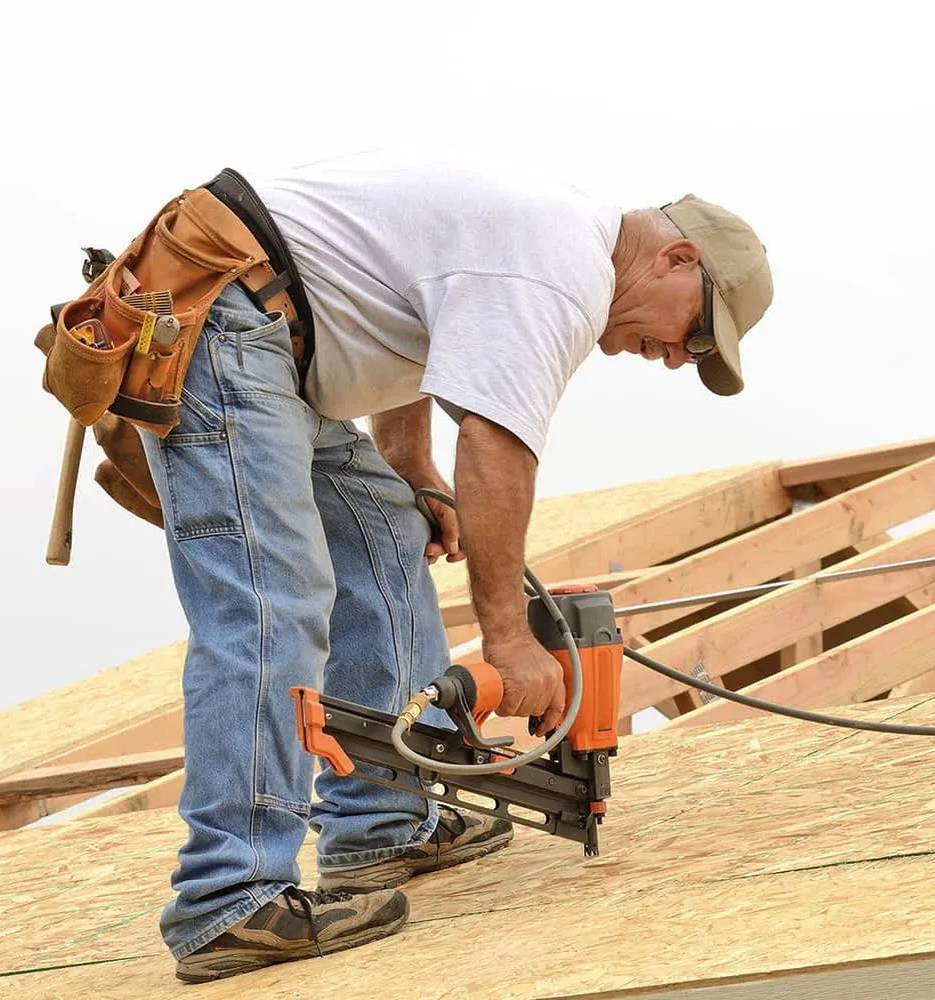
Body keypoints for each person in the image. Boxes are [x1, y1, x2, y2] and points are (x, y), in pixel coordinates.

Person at [141, 153, 773, 984]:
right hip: (224, 322)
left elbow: (403, 325)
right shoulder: (559, 269)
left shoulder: (538, 241)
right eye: (695, 331)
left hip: (276, 333)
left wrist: (408, 464)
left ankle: (382, 822)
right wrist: (508, 641)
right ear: (677, 259)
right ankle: (228, 897)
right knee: (270, 601)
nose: (675, 358)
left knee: (384, 533)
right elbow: (497, 443)